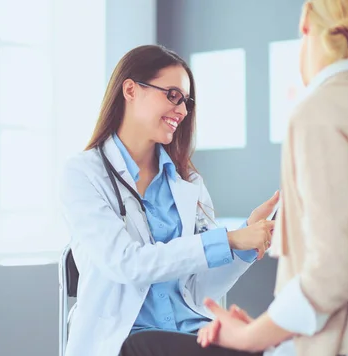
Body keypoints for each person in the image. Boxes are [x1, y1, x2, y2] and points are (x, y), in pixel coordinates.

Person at [120, 0, 348, 356]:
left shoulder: (317, 114)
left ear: (307, 18)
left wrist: (257, 335)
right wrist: (270, 326)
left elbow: (333, 272)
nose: (182, 109)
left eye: (185, 99)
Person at [59, 44, 279, 356]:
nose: (183, 110)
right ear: (131, 90)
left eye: (187, 102)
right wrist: (228, 241)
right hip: (128, 339)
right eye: (173, 95)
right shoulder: (83, 174)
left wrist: (245, 244)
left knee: (260, 348)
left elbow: (199, 289)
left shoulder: (187, 182)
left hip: (188, 332)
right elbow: (127, 263)